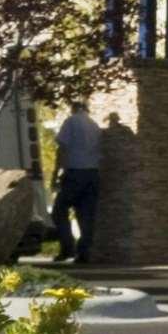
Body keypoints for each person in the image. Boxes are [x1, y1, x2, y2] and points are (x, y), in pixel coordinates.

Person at [50, 104, 103, 263]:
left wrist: (56, 173)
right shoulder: (95, 126)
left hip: (75, 171)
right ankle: (84, 251)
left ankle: (68, 248)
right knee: (86, 214)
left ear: (73, 109)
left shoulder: (71, 122)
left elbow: (62, 148)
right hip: (93, 173)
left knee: (59, 210)